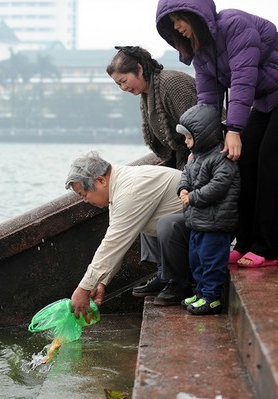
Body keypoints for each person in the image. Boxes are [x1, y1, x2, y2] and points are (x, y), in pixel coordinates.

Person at [156, 0, 278, 268]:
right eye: (171, 24)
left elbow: (244, 79)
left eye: (179, 19)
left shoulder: (234, 24)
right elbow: (208, 101)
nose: (176, 27)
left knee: (270, 159)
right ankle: (244, 242)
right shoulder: (201, 50)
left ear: (195, 14)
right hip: (268, 99)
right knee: (242, 162)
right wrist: (199, 146)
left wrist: (234, 129)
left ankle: (266, 248)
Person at [106, 46, 197, 297]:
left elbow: (200, 129)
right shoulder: (147, 94)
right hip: (181, 163)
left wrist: (190, 173)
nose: (124, 88)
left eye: (124, 81)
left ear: (139, 69)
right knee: (147, 206)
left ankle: (176, 279)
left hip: (203, 165)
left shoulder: (172, 84)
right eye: (118, 85)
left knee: (165, 214)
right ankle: (163, 272)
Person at [65, 151, 193, 318]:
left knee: (165, 224)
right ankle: (164, 276)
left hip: (205, 228)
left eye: (84, 194)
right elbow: (118, 241)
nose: (85, 200)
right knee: (143, 222)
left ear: (101, 180)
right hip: (186, 228)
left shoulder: (130, 191)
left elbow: (114, 243)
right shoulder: (118, 186)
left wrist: (84, 288)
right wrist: (101, 282)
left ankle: (179, 283)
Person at [175, 104, 240, 314]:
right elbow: (185, 174)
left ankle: (212, 297)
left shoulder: (221, 158)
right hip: (198, 222)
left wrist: (192, 197)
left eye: (189, 137)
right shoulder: (196, 157)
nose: (186, 142)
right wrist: (183, 188)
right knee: (197, 260)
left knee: (211, 261)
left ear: (203, 135)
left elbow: (219, 186)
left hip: (215, 223)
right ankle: (202, 292)